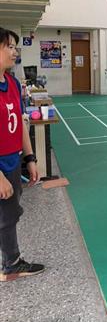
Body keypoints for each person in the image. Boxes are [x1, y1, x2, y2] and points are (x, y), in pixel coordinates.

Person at [0, 27, 44, 281]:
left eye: (15, 46)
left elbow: (20, 124)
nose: (15, 51)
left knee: (10, 213)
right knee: (6, 216)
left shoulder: (13, 83)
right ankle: (11, 263)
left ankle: (11, 260)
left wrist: (30, 158)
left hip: (13, 160)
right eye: (9, 46)